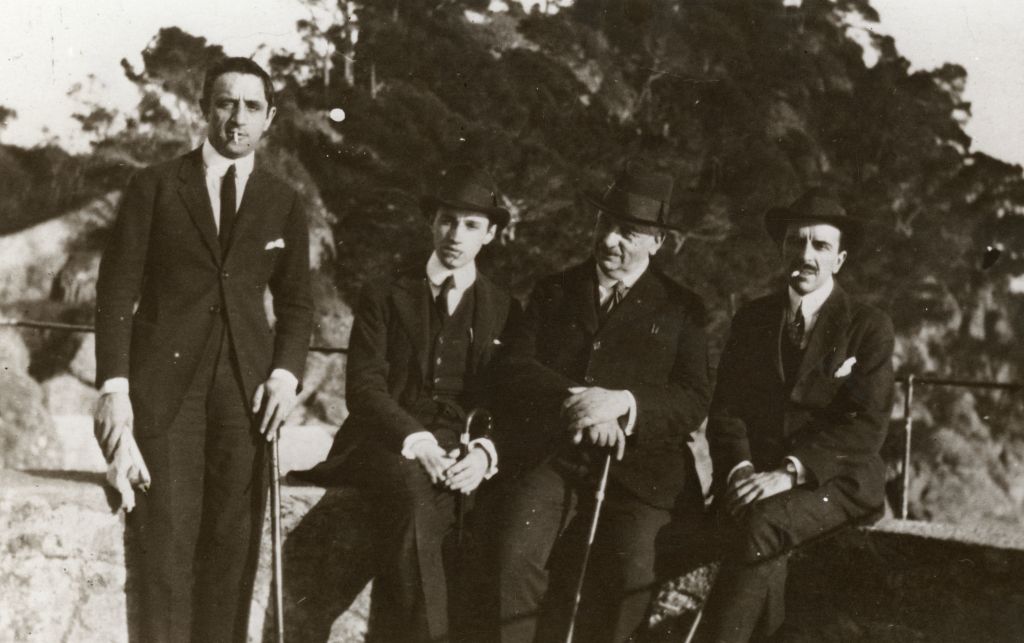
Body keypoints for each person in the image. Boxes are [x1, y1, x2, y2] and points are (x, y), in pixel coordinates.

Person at [93, 57, 313, 643]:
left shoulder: (283, 201)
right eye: (224, 102)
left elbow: (297, 304)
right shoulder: (155, 186)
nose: (237, 117)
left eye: (251, 106)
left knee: (231, 553)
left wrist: (285, 375)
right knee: (166, 550)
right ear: (204, 109)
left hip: (247, 398)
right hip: (166, 394)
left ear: (269, 118)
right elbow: (115, 291)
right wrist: (114, 387)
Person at [295, 164, 517, 642]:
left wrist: (482, 454)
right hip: (385, 440)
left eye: (471, 225)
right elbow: (364, 388)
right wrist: (418, 442)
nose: (455, 235)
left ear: (490, 234)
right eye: (447, 221)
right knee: (417, 500)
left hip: (459, 443)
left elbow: (507, 399)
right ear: (431, 222)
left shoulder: (504, 308)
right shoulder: (385, 292)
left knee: (473, 516)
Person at [494, 162, 711, 643]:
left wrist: (624, 404)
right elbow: (515, 367)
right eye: (606, 225)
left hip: (640, 473)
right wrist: (583, 403)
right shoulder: (554, 291)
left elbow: (693, 398)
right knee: (515, 556)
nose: (610, 240)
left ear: (657, 241)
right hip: (554, 457)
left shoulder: (683, 308)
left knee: (631, 576)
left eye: (628, 233)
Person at [699, 188, 895, 642]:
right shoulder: (752, 319)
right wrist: (740, 469)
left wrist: (788, 473)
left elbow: (866, 426)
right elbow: (727, 409)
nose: (805, 255)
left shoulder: (868, 326)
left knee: (761, 523)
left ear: (838, 260)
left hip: (837, 481)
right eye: (795, 242)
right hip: (757, 478)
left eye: (820, 245)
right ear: (782, 249)